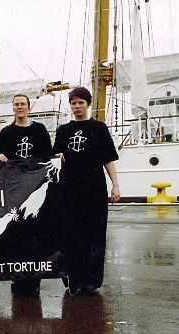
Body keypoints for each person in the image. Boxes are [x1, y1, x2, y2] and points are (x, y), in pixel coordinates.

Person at [52, 86, 120, 296]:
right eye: (73, 103)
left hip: (94, 190)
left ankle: (92, 281)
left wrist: (115, 184)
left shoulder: (99, 128)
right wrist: (58, 157)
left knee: (95, 236)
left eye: (81, 102)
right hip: (70, 192)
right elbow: (54, 160)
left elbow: (108, 159)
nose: (77, 106)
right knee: (73, 237)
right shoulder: (63, 131)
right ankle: (76, 279)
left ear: (88, 104)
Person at [0, 94, 53, 296]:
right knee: (15, 231)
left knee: (35, 231)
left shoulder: (39, 130)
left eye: (23, 104)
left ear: (28, 107)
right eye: (16, 104)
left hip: (35, 187)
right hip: (14, 189)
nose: (20, 107)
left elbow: (49, 155)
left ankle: (34, 276)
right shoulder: (6, 132)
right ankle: (17, 275)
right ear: (13, 108)